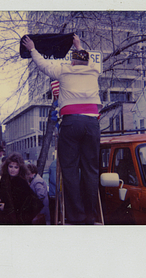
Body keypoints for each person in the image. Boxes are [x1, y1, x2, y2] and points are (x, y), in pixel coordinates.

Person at [22, 34, 102, 225]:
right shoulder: (94, 71)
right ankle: (91, 216)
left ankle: (76, 216)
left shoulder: (64, 71)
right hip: (92, 123)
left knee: (70, 169)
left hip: (71, 123)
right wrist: (78, 45)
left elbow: (43, 65)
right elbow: (83, 58)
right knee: (91, 170)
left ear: (72, 62)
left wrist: (33, 48)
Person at [0, 153, 43, 225]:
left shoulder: (21, 182)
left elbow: (23, 205)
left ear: (20, 168)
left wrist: (6, 207)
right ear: (7, 167)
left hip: (16, 219)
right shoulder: (4, 179)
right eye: (10, 166)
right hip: (4, 216)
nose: (13, 170)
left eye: (16, 167)